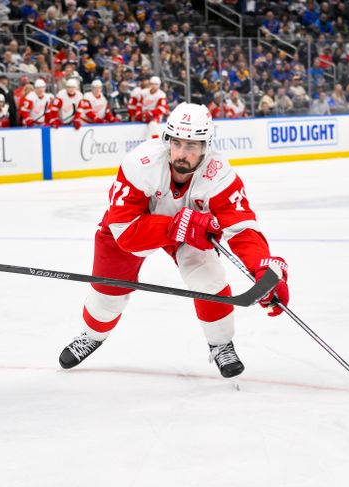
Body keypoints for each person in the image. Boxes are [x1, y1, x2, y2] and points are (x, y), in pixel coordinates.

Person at [58, 103, 290, 377]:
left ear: (206, 146)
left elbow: (242, 228)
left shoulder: (220, 174)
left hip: (191, 231)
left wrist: (262, 270)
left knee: (209, 281)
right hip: (138, 229)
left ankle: (221, 344)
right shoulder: (141, 163)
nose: (182, 153)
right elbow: (125, 232)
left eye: (192, 146)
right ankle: (92, 335)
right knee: (107, 296)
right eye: (177, 143)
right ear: (166, 140)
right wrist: (175, 225)